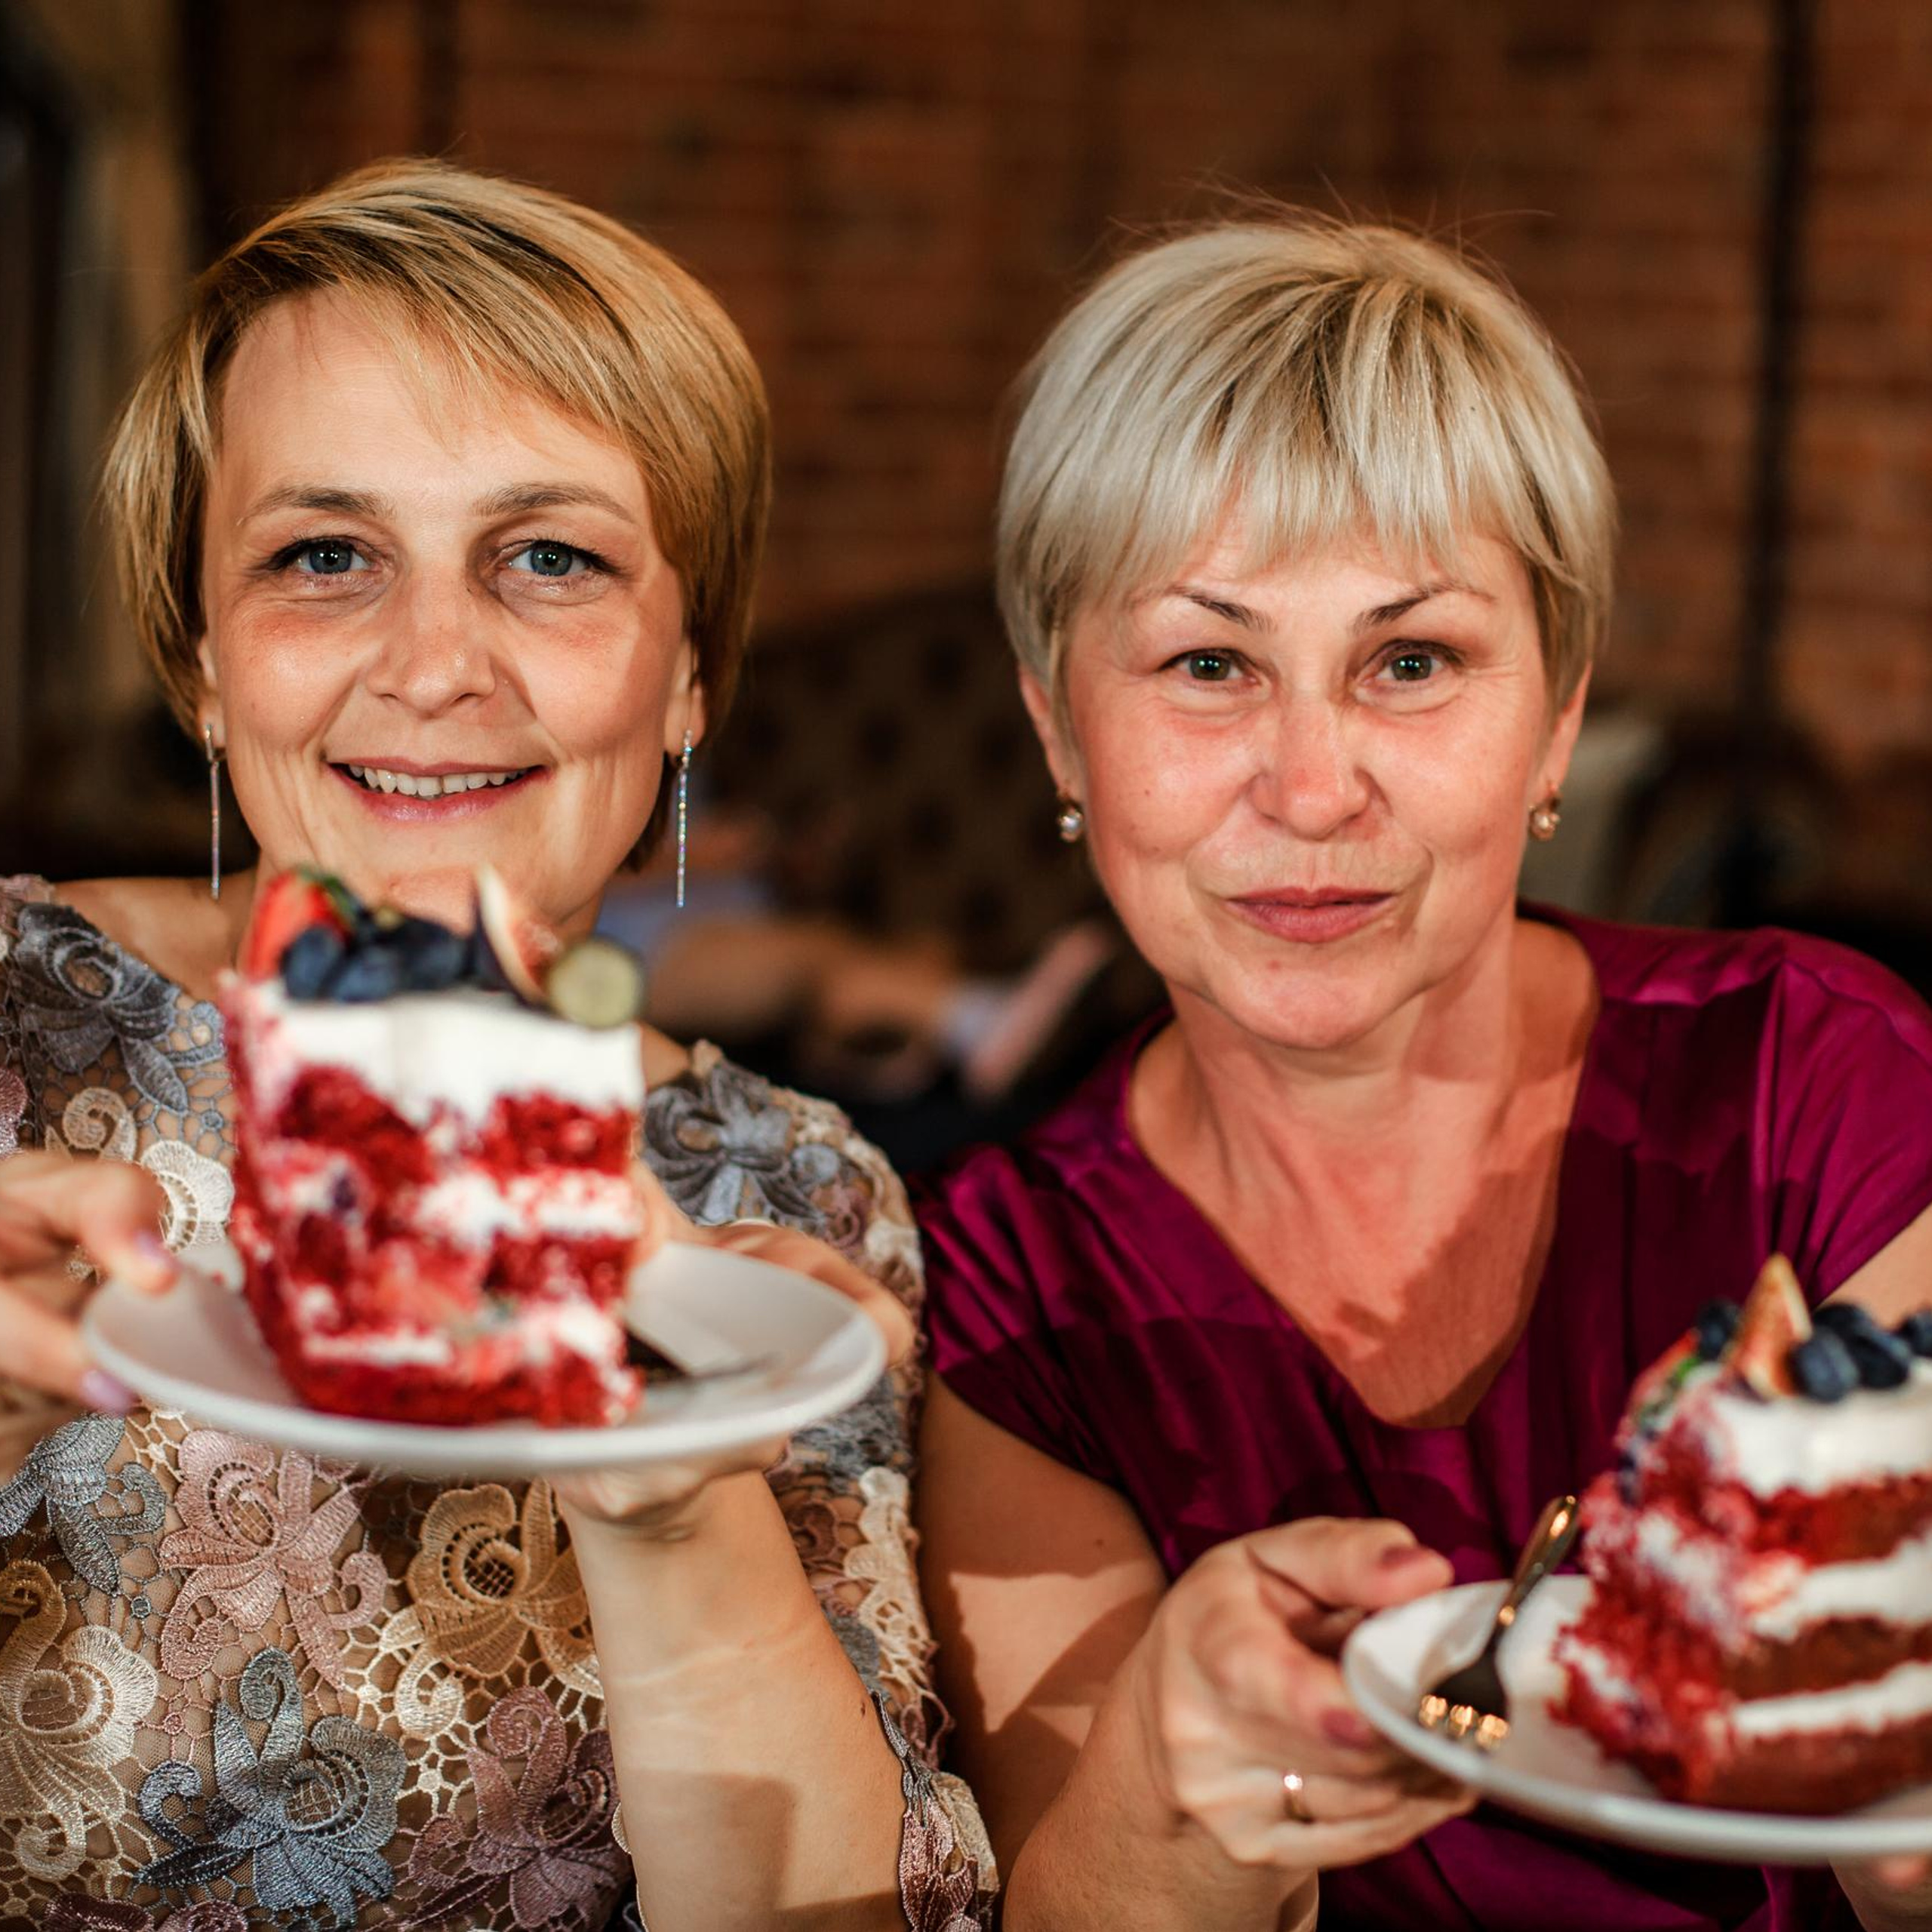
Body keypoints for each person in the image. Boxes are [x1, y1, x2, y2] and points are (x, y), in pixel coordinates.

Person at [0, 158, 995, 1930]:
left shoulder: (786, 1197)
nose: (436, 660)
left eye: (547, 557)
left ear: (687, 676)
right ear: (202, 656)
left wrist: (678, 1504)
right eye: (324, 555)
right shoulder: (11, 1017)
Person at [912, 215, 1932, 1930]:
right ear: (1053, 728)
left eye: (1409, 662)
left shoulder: (1815, 1083)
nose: (1311, 787)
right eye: (1207, 663)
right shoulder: (1016, 1298)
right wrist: (1183, 1774)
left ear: (1551, 720)